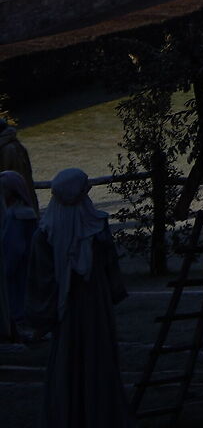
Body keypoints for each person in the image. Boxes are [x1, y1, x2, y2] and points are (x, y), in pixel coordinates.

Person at [30, 167, 130, 428]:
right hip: (93, 304)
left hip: (75, 308)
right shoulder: (94, 228)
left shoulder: (47, 233)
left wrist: (44, 316)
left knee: (69, 361)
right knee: (94, 358)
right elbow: (111, 268)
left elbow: (42, 281)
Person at [0, 170, 37, 342]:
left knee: (15, 298)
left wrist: (6, 268)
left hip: (17, 267)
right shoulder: (22, 212)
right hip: (23, 265)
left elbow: (15, 248)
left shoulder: (18, 215)